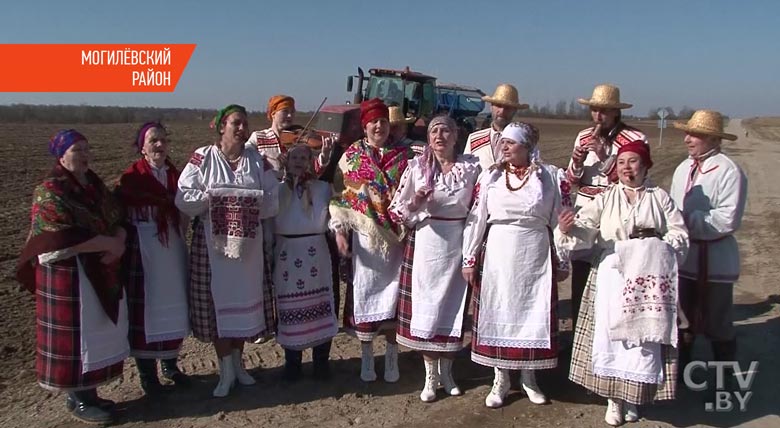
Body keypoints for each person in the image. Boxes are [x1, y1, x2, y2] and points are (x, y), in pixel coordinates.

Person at [557, 141, 689, 426]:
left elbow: (679, 233)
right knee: (611, 336)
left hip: (646, 279)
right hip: (612, 274)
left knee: (641, 340)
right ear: (615, 169)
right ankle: (613, 400)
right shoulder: (606, 197)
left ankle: (634, 399)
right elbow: (587, 227)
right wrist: (569, 228)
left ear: (645, 165)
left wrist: (659, 245)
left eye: (633, 162)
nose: (627, 168)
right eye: (621, 163)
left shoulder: (660, 198)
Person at [16, 129, 129, 424]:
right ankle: (76, 398)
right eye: (77, 149)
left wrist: (119, 238)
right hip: (68, 274)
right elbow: (58, 237)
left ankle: (89, 392)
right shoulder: (50, 190)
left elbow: (116, 214)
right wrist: (108, 244)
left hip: (96, 270)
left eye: (86, 149)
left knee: (91, 332)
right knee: (74, 335)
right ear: (61, 154)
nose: (84, 155)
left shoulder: (93, 185)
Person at [461, 122, 571, 408]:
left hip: (534, 253)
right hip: (499, 252)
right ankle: (500, 379)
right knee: (500, 311)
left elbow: (563, 220)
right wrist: (469, 258)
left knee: (531, 314)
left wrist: (562, 257)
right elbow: (477, 218)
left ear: (527, 146)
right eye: (503, 142)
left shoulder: (550, 176)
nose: (504, 146)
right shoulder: (491, 177)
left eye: (511, 142)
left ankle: (529, 377)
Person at [175, 104, 279, 397]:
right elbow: (184, 197)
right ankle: (225, 371)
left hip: (248, 250)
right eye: (236, 123)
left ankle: (238, 364)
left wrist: (246, 202)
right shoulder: (203, 157)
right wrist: (217, 199)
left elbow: (273, 198)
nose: (242, 128)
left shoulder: (257, 160)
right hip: (213, 247)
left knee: (243, 303)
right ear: (222, 127)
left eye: (245, 123)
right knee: (217, 303)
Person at [388, 115, 480, 402]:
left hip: (459, 241)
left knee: (453, 309)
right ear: (428, 138)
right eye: (434, 131)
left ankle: (448, 373)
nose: (440, 136)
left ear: (456, 136)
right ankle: (430, 376)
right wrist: (415, 203)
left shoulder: (472, 167)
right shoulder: (417, 167)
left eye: (446, 131)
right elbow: (397, 210)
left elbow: (480, 208)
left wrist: (471, 253)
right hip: (427, 243)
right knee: (429, 308)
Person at [330, 98, 415, 382]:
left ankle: (391, 357)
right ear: (364, 126)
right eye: (373, 122)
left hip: (395, 237)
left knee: (393, 296)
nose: (379, 126)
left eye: (383, 122)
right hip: (365, 239)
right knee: (365, 294)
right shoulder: (352, 156)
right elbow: (342, 197)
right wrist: (340, 231)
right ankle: (367, 357)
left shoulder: (405, 155)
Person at [669, 110, 747, 381]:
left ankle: (724, 380)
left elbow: (728, 219)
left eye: (696, 135)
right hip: (686, 259)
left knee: (718, 321)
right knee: (683, 319)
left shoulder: (729, 171)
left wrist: (685, 220)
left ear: (714, 139)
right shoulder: (683, 168)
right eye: (687, 134)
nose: (687, 140)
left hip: (715, 262)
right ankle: (683, 377)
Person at [565, 84, 648, 334]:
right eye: (594, 111)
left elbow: (636, 178)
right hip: (586, 207)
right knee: (581, 270)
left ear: (615, 113)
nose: (598, 117)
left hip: (616, 209)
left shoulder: (634, 139)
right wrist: (577, 163)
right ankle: (580, 331)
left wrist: (604, 157)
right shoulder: (583, 136)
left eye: (604, 111)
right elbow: (571, 179)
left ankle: (611, 331)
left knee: (612, 268)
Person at [116, 122, 191, 395]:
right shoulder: (132, 178)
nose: (159, 145)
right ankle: (148, 376)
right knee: (146, 311)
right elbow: (119, 215)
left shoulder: (176, 175)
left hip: (171, 248)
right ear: (142, 147)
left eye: (163, 140)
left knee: (174, 305)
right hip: (144, 252)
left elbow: (185, 206)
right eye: (153, 141)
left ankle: (171, 366)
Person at [271, 143, 339, 381]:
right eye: (294, 157)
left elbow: (333, 217)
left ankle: (321, 362)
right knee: (290, 307)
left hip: (315, 252)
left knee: (321, 304)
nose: (298, 161)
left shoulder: (322, 188)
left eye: (304, 157)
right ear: (286, 161)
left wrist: (338, 231)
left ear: (311, 162)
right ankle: (293, 363)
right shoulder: (277, 190)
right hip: (287, 253)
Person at [464, 83, 529, 171]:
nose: (502, 111)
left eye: (507, 108)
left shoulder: (524, 142)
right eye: (498, 106)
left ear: (515, 110)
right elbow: (465, 171)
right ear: (491, 107)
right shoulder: (474, 139)